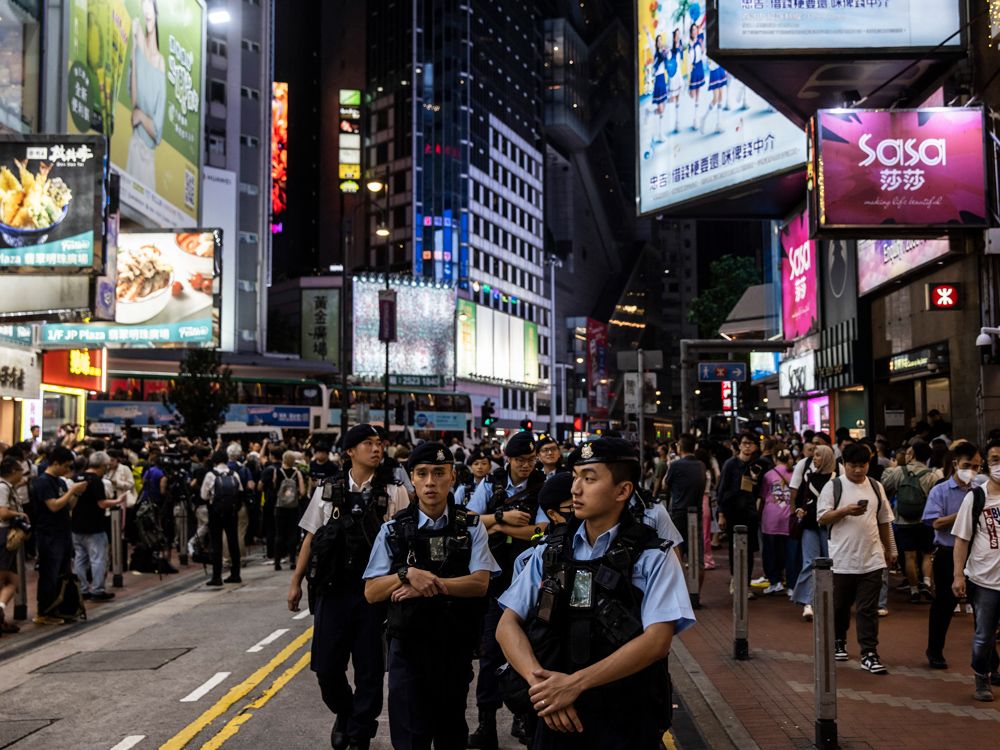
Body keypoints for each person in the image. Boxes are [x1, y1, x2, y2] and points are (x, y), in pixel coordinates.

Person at [496, 437, 695, 748]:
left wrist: (574, 685)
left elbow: (657, 641)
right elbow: (507, 624)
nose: (575, 488)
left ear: (623, 491)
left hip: (626, 721)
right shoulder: (549, 550)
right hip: (553, 721)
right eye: (575, 476)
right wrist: (543, 688)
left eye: (588, 479)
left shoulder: (653, 556)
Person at [364, 442, 499, 749]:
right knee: (410, 736)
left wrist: (428, 584)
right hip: (407, 649)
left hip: (454, 646)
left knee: (451, 732)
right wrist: (406, 574)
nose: (430, 482)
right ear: (411, 477)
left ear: (452, 476)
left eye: (439, 473)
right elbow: (372, 592)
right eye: (422, 473)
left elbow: (480, 583)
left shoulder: (471, 526)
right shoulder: (394, 530)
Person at [289, 424, 407, 750]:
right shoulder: (328, 488)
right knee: (326, 668)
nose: (376, 448)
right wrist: (295, 582)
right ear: (350, 452)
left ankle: (359, 733)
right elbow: (311, 537)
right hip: (332, 589)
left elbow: (407, 539)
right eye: (367, 443)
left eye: (379, 443)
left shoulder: (394, 492)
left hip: (374, 592)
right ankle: (345, 712)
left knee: (369, 668)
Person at [466, 431, 546, 749]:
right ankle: (487, 723)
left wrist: (497, 525)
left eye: (531, 459)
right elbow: (470, 519)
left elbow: (542, 530)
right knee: (491, 651)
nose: (527, 465)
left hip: (530, 579)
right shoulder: (492, 482)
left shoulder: (541, 487)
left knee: (530, 650)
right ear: (508, 459)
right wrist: (500, 518)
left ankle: (524, 717)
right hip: (496, 578)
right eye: (521, 460)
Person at [818, 443, 896, 674]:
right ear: (844, 465)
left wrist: (890, 549)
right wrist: (844, 511)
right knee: (840, 606)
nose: (858, 471)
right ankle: (838, 640)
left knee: (867, 609)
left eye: (862, 466)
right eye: (853, 466)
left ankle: (869, 653)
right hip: (842, 559)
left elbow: (884, 520)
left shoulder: (875, 486)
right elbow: (822, 518)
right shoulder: (833, 487)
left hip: (872, 558)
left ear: (868, 464)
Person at [923, 440, 984, 670]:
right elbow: (935, 522)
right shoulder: (940, 490)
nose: (973, 471)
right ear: (956, 464)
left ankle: (989, 660)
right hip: (947, 554)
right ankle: (935, 650)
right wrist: (962, 513)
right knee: (944, 605)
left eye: (977, 466)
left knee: (982, 606)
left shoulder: (980, 490)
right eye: (968, 465)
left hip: (976, 555)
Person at [951, 437, 1000, 701]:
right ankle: (982, 678)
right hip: (985, 581)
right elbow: (962, 539)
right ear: (986, 465)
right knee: (984, 635)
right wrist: (958, 575)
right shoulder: (977, 498)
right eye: (995, 460)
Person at [31, 447, 88, 624]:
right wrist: (72, 491)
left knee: (63, 574)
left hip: (63, 533)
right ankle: (44, 612)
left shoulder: (61, 482)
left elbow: (68, 506)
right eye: (66, 466)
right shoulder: (43, 482)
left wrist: (76, 493)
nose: (68, 470)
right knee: (49, 573)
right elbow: (53, 506)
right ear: (55, 463)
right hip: (49, 535)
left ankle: (61, 608)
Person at [882, 441, 939, 604]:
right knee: (927, 554)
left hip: (904, 521)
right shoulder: (932, 475)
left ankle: (914, 589)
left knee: (910, 556)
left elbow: (885, 486)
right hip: (925, 521)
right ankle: (927, 583)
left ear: (912, 454)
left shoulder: (900, 471)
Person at [71, 452, 122, 602]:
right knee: (98, 558)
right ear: (102, 466)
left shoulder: (77, 478)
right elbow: (102, 503)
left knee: (80, 558)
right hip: (94, 525)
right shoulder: (96, 481)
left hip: (76, 524)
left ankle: (83, 589)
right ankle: (98, 590)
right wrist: (118, 500)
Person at [792, 445, 836, 621]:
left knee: (830, 562)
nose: (814, 458)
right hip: (810, 524)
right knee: (809, 562)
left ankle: (829, 599)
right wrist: (799, 511)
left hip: (829, 525)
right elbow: (803, 499)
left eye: (818, 455)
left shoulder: (836, 479)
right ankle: (808, 601)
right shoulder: (809, 477)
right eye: (814, 455)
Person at [126, 0, 166, 188]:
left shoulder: (161, 63)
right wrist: (134, 53)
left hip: (148, 158)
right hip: (135, 148)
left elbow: (157, 132)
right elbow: (134, 103)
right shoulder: (139, 55)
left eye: (150, 9)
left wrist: (141, 116)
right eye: (144, 10)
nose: (147, 14)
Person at [717, 433, 762, 591]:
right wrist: (721, 514)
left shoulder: (757, 465)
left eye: (751, 443)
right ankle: (735, 579)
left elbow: (759, 492)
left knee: (749, 551)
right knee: (734, 548)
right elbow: (721, 489)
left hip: (750, 513)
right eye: (745, 443)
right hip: (732, 512)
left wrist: (755, 481)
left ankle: (746, 584)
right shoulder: (730, 464)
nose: (748, 446)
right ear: (740, 445)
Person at [200, 451, 243, 586]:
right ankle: (236, 574)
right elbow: (240, 492)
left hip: (216, 513)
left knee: (216, 544)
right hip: (231, 512)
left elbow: (204, 496)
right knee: (233, 542)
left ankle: (216, 576)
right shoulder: (234, 474)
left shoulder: (210, 475)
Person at [662, 434, 705, 562]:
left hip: (678, 512)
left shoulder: (676, 465)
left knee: (677, 553)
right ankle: (696, 580)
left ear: (679, 447)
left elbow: (665, 485)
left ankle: (681, 580)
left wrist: (669, 466)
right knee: (696, 554)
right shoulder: (701, 465)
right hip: (696, 512)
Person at [760, 449, 795, 596]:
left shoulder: (768, 475)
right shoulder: (795, 474)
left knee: (770, 552)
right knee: (791, 553)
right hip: (789, 519)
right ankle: (792, 584)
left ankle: (775, 581)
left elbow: (763, 496)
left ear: (775, 458)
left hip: (771, 519)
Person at [0, 456, 29, 633]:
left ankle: (1, 612)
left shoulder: (8, 487)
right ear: (12, 471)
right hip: (3, 535)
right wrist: (19, 515)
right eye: (20, 470)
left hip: (6, 536)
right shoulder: (2, 487)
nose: (22, 474)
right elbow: (2, 513)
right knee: (4, 579)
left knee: (12, 580)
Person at [273, 450, 307, 571]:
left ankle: (277, 562)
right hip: (293, 507)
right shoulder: (297, 473)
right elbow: (303, 491)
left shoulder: (277, 472)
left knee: (279, 534)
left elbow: (274, 488)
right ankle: (292, 560)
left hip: (280, 507)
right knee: (293, 534)